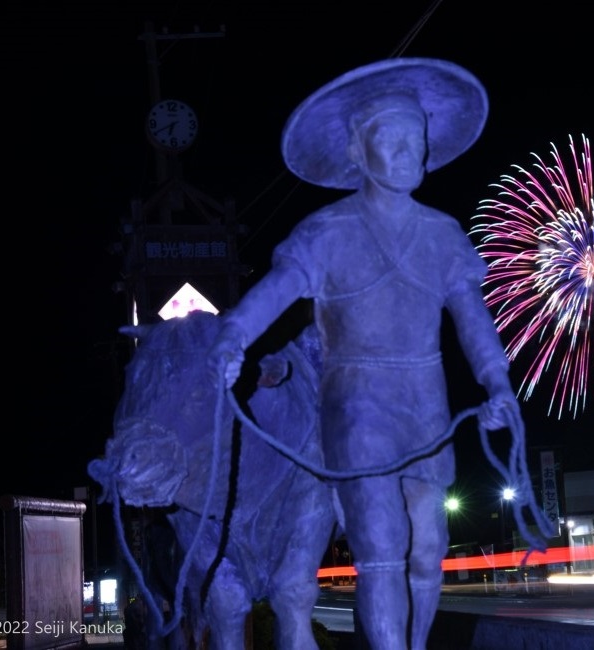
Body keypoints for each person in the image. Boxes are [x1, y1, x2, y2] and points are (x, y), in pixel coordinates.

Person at [208, 58, 520, 650]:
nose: (409, 153)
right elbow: (272, 294)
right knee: (381, 545)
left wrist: (495, 380)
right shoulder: (326, 232)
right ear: (358, 149)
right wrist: (232, 338)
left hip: (426, 404)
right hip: (355, 405)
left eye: (418, 140)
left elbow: (473, 318)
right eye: (392, 139)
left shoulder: (444, 234)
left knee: (427, 549)